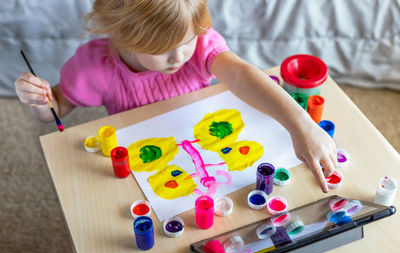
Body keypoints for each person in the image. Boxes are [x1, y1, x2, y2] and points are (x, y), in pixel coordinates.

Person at [14, 0, 336, 192]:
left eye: (188, 40)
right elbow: (56, 109)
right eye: (162, 50)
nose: (180, 56)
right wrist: (39, 101)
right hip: (144, 168)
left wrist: (301, 125)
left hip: (204, 150)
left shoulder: (201, 46)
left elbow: (240, 73)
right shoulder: (96, 66)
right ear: (123, 35)